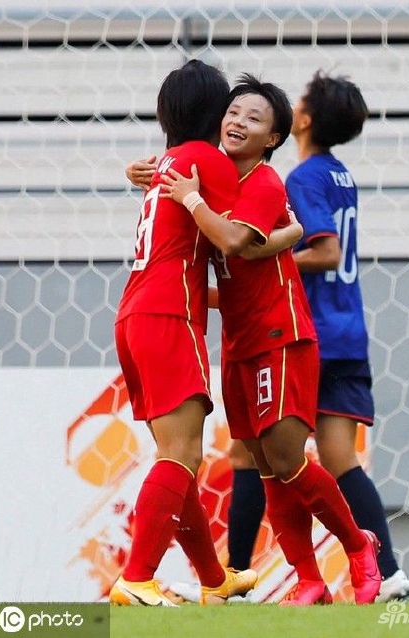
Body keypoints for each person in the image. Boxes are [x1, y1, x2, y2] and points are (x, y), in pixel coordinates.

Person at [149, 73, 384, 606]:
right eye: (234, 113)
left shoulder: (263, 183)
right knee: (261, 465)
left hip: (281, 336)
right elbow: (230, 266)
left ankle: (358, 545)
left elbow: (236, 243)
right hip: (238, 340)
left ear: (274, 138)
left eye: (254, 119)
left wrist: (190, 201)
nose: (238, 122)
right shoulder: (214, 183)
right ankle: (308, 580)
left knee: (288, 459)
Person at [220, 70, 409, 603]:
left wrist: (268, 259)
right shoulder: (341, 175)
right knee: (339, 460)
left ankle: (235, 580)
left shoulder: (302, 178)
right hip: (349, 330)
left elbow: (325, 250)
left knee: (249, 455)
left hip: (310, 333)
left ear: (300, 120)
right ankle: (392, 574)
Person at [111, 59, 258, 607]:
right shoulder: (205, 162)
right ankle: (137, 577)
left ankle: (214, 582)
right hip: (169, 317)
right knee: (181, 455)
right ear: (217, 113)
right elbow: (247, 228)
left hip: (136, 316)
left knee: (178, 456)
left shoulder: (170, 163)